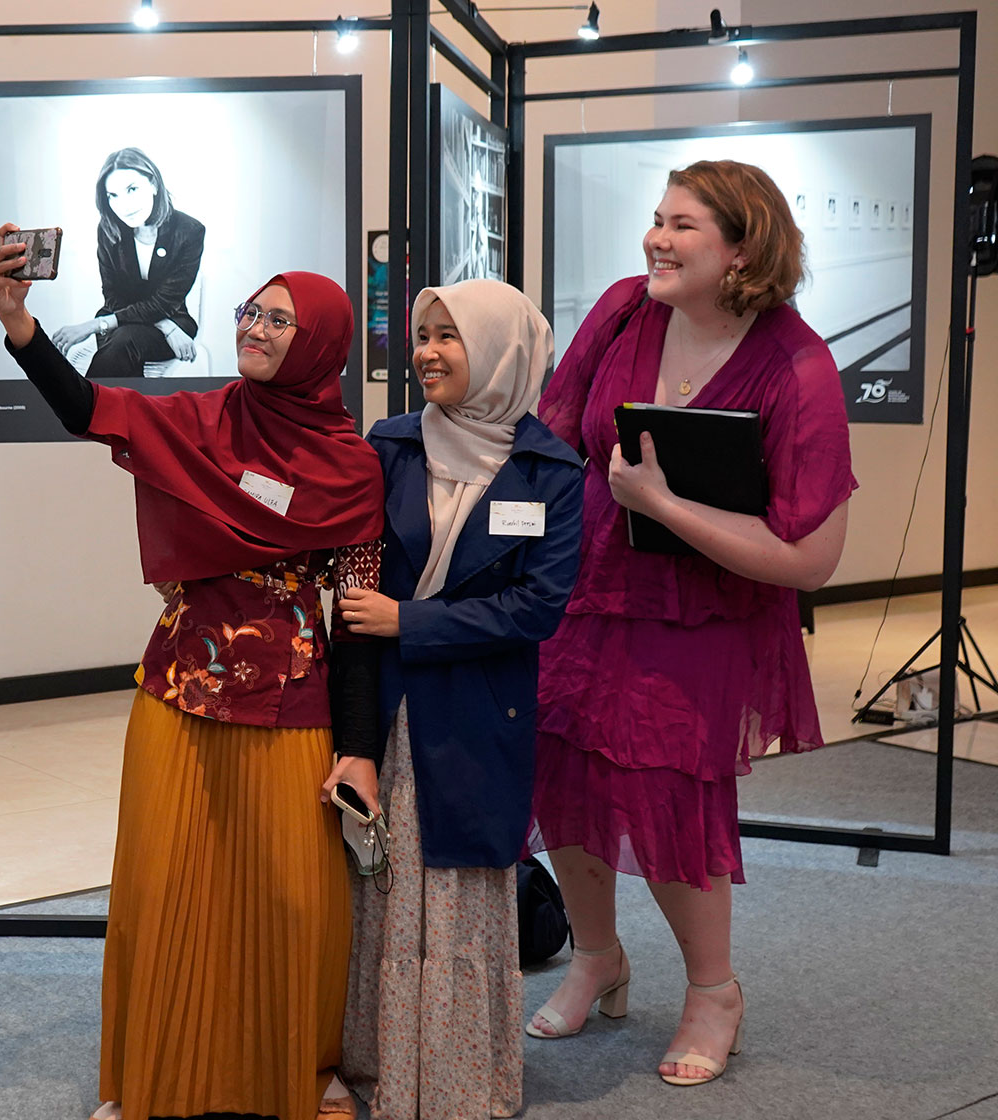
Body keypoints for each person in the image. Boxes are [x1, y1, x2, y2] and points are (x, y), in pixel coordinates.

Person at [0, 223, 385, 1120]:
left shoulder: (353, 470)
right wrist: (19, 322)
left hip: (290, 702)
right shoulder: (199, 421)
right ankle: (150, 1080)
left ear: (319, 343)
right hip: (179, 690)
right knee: (164, 889)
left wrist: (358, 750)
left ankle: (305, 1070)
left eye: (281, 319)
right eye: (251, 311)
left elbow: (357, 621)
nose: (257, 326)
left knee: (291, 903)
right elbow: (85, 407)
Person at [526, 160, 854, 1087]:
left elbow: (810, 558)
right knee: (561, 769)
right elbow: (555, 432)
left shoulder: (798, 365)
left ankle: (714, 991)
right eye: (656, 219)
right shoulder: (627, 309)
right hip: (585, 586)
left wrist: (663, 506)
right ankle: (598, 955)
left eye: (681, 226)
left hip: (703, 616)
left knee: (672, 794)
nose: (655, 239)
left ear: (742, 247)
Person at [334, 280, 584, 1119]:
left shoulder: (550, 471)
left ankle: (457, 1078)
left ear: (503, 352)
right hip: (392, 707)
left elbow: (536, 609)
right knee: (383, 888)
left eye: (451, 336)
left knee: (461, 892)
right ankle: (376, 1068)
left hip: (480, 712)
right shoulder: (391, 446)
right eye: (423, 334)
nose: (429, 352)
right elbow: (353, 574)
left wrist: (411, 620)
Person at [48, 148, 205, 379]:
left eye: (132, 189)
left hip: (170, 322)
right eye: (113, 195)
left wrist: (94, 325)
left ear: (153, 184)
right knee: (122, 342)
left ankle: (88, 410)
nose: (124, 205)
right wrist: (165, 325)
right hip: (122, 321)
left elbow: (165, 302)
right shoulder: (109, 229)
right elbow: (111, 294)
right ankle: (123, 411)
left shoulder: (189, 231)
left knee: (124, 342)